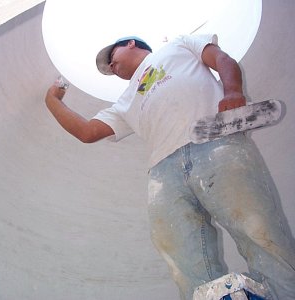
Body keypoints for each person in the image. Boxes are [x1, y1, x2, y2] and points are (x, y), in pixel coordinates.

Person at [45, 34, 295, 300]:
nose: (111, 67)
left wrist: (232, 90)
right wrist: (52, 100)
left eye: (111, 58)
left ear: (130, 43)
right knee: (183, 260)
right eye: (109, 68)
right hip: (163, 175)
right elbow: (87, 131)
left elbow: (222, 59)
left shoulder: (178, 45)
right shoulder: (125, 101)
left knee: (259, 232)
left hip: (215, 143)